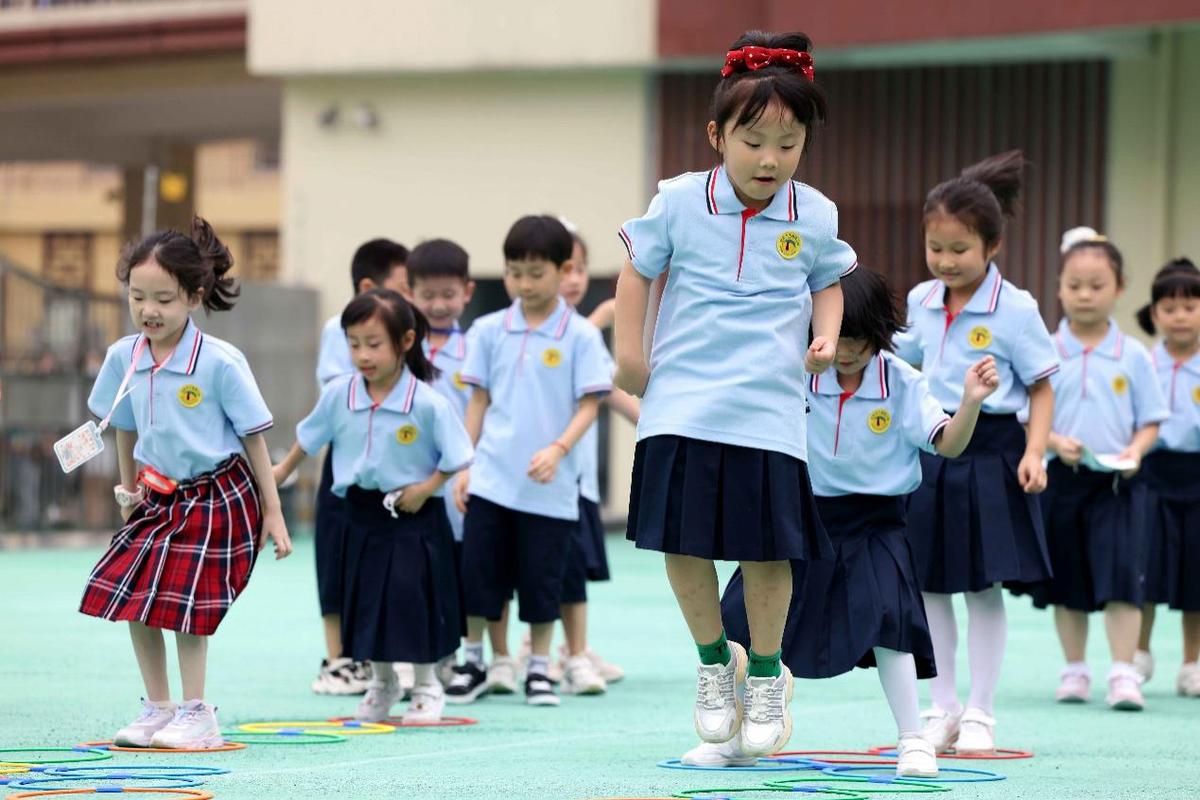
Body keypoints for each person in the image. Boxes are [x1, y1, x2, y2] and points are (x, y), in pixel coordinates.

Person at [614, 30, 856, 756]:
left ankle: (769, 674)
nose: (770, 159)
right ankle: (717, 663)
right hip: (682, 402)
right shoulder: (680, 201)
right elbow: (636, 269)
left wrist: (825, 335)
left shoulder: (814, 214)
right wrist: (630, 357)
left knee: (764, 552)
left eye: (789, 143)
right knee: (680, 543)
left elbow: (829, 282)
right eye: (754, 141)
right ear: (718, 134)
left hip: (770, 410)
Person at [687, 267, 997, 776]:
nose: (846, 352)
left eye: (857, 340)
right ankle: (739, 737)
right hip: (802, 515)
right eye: (835, 339)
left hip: (877, 523)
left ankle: (912, 740)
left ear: (880, 334)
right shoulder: (795, 371)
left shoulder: (902, 382)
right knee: (743, 617)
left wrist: (970, 404)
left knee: (887, 620)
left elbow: (948, 444)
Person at [82, 216, 292, 749]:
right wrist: (128, 491)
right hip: (156, 494)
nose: (148, 311)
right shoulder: (121, 358)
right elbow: (122, 427)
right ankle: (159, 707)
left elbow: (255, 441)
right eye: (137, 297)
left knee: (183, 600)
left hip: (219, 494)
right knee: (131, 593)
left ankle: (198, 713)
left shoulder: (220, 363)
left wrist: (273, 511)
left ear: (194, 298)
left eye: (164, 299)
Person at [895, 150, 1059, 754]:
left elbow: (1042, 386)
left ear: (991, 246)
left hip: (992, 453)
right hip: (933, 454)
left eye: (958, 250)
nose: (944, 261)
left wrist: (1035, 451)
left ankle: (983, 714)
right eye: (934, 247)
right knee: (931, 585)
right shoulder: (919, 300)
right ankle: (944, 709)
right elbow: (907, 366)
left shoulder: (1016, 310)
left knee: (981, 587)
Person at [275, 289, 472, 723]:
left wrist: (425, 488)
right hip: (359, 516)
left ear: (405, 342)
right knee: (367, 603)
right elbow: (308, 439)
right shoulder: (339, 394)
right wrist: (278, 474)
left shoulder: (427, 402)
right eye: (354, 344)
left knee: (412, 601)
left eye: (374, 344)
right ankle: (384, 685)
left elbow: (459, 456)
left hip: (414, 516)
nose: (363, 355)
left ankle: (426, 687)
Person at [449, 215, 613, 707]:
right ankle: (474, 659)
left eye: (535, 273)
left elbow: (590, 405)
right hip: (492, 480)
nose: (523, 283)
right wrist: (464, 465)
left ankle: (540, 668)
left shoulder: (580, 336)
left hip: (551, 486)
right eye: (514, 271)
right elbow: (477, 403)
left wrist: (559, 449)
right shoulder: (487, 330)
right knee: (480, 575)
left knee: (543, 580)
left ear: (563, 271)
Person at [1030, 228, 1168, 711]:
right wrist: (1051, 441)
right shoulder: (1043, 350)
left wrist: (1134, 450)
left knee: (1122, 577)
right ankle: (1074, 669)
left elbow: (1151, 420)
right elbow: (1027, 418)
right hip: (1061, 482)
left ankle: (1124, 673)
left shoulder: (1133, 354)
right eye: (1074, 285)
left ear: (1120, 287)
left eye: (1096, 285)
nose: (1084, 295)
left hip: (1120, 484)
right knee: (1068, 581)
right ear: (1059, 288)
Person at [312, 238, 411, 696]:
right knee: (336, 560)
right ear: (369, 287)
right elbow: (342, 394)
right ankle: (337, 659)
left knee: (384, 563)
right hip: (347, 463)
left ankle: (377, 656)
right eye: (402, 286)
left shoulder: (402, 331)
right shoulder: (339, 327)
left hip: (393, 463)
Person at [405, 238, 476, 685]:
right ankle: (414, 656)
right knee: (414, 571)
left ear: (467, 292)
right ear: (409, 293)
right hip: (413, 479)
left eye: (447, 294)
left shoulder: (474, 350)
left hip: (459, 483)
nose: (437, 304)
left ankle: (459, 656)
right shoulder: (402, 353)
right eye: (427, 295)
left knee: (459, 569)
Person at [1134, 258, 1200, 697]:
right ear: (1154, 314)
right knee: (1147, 566)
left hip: (1197, 475)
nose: (1180, 316)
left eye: (1191, 306)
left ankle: (1192, 663)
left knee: (1196, 570)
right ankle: (1138, 655)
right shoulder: (1142, 362)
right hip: (1150, 474)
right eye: (1170, 307)